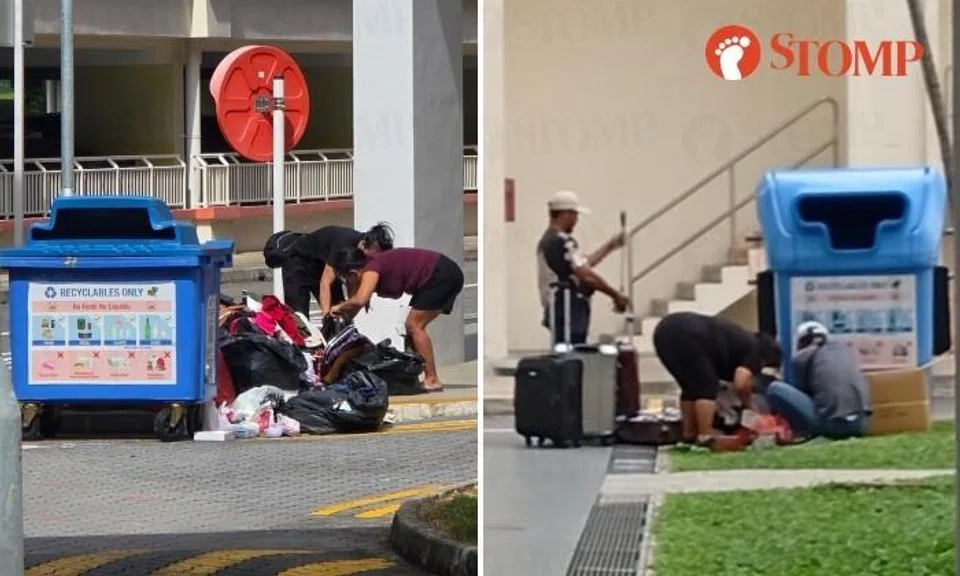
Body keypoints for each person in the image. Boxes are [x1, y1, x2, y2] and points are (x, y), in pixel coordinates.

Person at [329, 247, 464, 392]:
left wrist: (338, 307)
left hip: (441, 274)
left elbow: (359, 300)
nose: (347, 283)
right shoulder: (371, 266)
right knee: (409, 327)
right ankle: (412, 374)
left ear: (353, 272)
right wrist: (344, 324)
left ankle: (432, 379)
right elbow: (357, 304)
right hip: (435, 275)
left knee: (414, 325)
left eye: (346, 279)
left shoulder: (370, 269)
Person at [652, 311, 782, 448]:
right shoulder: (756, 350)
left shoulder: (742, 340)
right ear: (767, 360)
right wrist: (748, 404)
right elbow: (741, 381)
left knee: (690, 387)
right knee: (707, 386)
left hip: (664, 331)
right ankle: (705, 437)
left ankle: (689, 435)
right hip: (688, 334)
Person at [537, 190, 629, 345]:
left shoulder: (550, 240)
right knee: (571, 354)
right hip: (567, 307)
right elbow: (586, 275)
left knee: (565, 351)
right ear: (566, 214)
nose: (576, 220)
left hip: (560, 309)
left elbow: (583, 264)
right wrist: (615, 295)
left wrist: (611, 245)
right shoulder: (562, 241)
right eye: (575, 215)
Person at [765, 321, 872, 441]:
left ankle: (798, 436)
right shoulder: (844, 352)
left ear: (801, 342)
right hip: (862, 424)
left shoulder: (803, 357)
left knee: (774, 389)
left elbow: (802, 391)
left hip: (832, 424)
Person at [274, 223, 394, 316]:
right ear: (364, 245)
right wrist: (326, 316)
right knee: (299, 316)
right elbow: (325, 282)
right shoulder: (344, 244)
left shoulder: (365, 253)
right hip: (299, 263)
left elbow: (351, 281)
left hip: (322, 265)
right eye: (374, 256)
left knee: (338, 312)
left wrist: (354, 306)